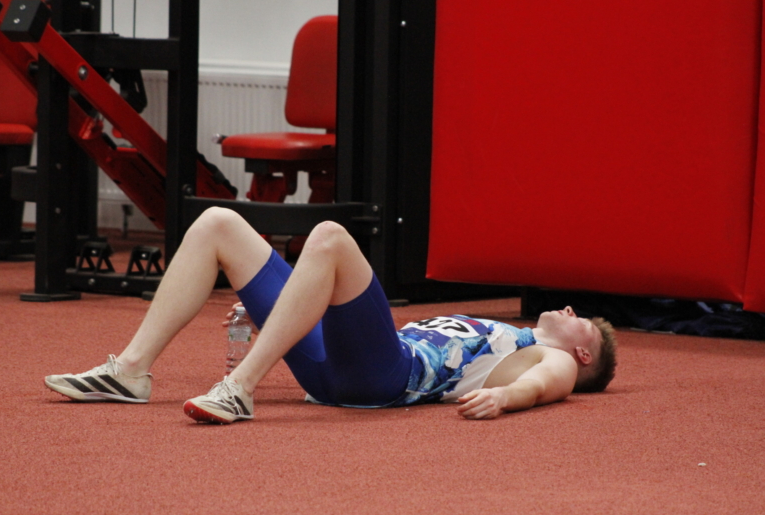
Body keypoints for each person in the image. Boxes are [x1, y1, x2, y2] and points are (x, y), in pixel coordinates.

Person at [45, 207, 617, 423]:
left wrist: (508, 399)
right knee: (218, 223)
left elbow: (546, 385)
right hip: (332, 363)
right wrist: (286, 313)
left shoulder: (553, 359)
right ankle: (131, 371)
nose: (570, 309)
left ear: (583, 351)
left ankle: (240, 388)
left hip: (384, 378)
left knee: (331, 238)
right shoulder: (505, 329)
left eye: (582, 320)